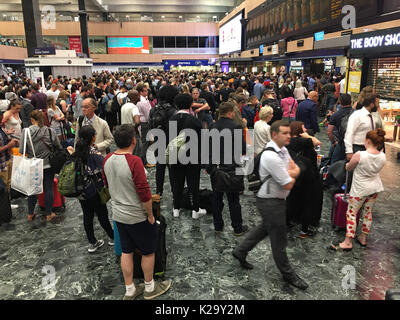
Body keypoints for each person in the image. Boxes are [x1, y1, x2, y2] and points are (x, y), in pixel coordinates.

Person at [232, 120, 308, 290]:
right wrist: (291, 174)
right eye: (285, 133)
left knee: (264, 228)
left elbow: (294, 168)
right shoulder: (271, 156)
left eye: (289, 133)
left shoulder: (282, 150)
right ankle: (289, 275)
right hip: (270, 202)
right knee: (279, 241)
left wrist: (290, 173)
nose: (289, 136)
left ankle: (240, 251)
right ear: (274, 135)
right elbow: (289, 182)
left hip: (274, 200)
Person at [103, 124, 171, 300]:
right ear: (134, 140)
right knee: (148, 251)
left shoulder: (107, 159)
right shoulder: (134, 162)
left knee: (127, 252)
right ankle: (149, 288)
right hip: (137, 215)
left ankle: (130, 289)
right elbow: (144, 193)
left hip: (118, 214)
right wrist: (150, 215)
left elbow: (107, 185)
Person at [330, 129, 386, 251]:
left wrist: (346, 165)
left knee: (351, 213)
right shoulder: (382, 156)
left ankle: (348, 241)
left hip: (360, 189)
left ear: (368, 141)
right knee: (367, 213)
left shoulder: (360, 155)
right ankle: (363, 237)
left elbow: (349, 167)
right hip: (374, 188)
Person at [68, 125, 114, 253]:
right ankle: (112, 237)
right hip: (95, 190)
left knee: (87, 216)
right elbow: (105, 165)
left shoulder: (77, 152)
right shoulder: (93, 153)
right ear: (93, 138)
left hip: (81, 190)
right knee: (102, 214)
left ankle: (92, 242)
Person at [207, 102, 249, 236]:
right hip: (232, 167)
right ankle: (237, 227)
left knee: (217, 198)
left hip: (216, 167)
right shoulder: (236, 126)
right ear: (231, 113)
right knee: (233, 199)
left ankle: (218, 226)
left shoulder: (213, 126)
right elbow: (242, 150)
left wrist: (208, 166)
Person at [19, 110, 62, 222]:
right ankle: (49, 214)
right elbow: (58, 146)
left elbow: (21, 150)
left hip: (33, 165)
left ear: (31, 120)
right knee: (48, 188)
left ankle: (30, 214)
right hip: (47, 164)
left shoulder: (25, 131)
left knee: (32, 190)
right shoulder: (49, 131)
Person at [168, 94, 206, 219]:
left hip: (175, 156)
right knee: (193, 183)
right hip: (193, 156)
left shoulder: (171, 120)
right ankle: (195, 209)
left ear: (176, 105)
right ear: (190, 105)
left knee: (176, 183)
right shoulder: (194, 120)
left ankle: (176, 208)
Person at [286, 121, 322, 238]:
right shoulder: (305, 141)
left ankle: (287, 222)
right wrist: (308, 135)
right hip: (307, 175)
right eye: (303, 127)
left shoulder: (287, 142)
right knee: (308, 201)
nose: (305, 129)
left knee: (291, 198)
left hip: (292, 174)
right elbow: (317, 142)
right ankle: (304, 230)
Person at [151, 85, 178, 197]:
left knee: (159, 168)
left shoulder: (153, 109)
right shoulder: (174, 111)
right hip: (171, 143)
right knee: (173, 171)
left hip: (158, 141)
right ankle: (175, 192)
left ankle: (159, 191)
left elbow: (150, 126)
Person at [327, 94, 353, 164]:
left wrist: (333, 142)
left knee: (334, 164)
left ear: (340, 102)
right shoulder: (356, 113)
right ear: (351, 101)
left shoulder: (335, 115)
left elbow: (329, 132)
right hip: (354, 144)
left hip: (341, 143)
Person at [0, 110, 19, 197]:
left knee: (8, 182)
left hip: (7, 159)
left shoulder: (1, 128)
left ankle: (8, 203)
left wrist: (11, 141)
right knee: (3, 185)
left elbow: (3, 139)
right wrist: (8, 145)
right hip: (1, 163)